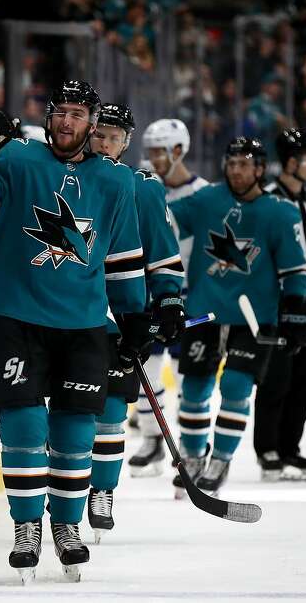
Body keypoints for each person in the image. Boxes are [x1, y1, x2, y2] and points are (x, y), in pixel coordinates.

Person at [0, 81, 146, 582]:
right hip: (16, 320)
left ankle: (66, 525)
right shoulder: (17, 159)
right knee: (23, 427)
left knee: (75, 432)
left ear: (94, 124)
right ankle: (27, 527)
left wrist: (134, 319)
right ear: (49, 117)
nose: (67, 122)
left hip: (84, 327)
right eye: (60, 112)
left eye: (78, 114)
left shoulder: (116, 181)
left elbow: (124, 258)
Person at [167, 136, 306, 498]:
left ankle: (221, 460)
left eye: (244, 164)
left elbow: (296, 272)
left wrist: (294, 313)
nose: (236, 170)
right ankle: (193, 457)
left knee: (234, 387)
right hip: (202, 314)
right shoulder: (207, 200)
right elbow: (166, 223)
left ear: (260, 169)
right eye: (231, 163)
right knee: (195, 390)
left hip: (254, 319)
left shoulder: (280, 212)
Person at [86, 104, 184, 542]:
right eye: (99, 134)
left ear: (127, 144)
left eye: (114, 137)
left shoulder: (143, 188)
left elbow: (163, 253)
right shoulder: (62, 178)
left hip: (119, 320)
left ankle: (102, 490)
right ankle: (64, 489)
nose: (104, 143)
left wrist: (166, 301)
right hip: (65, 314)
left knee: (109, 411)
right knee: (63, 411)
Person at [255, 129, 306, 481]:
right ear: (291, 161)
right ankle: (268, 449)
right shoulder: (269, 201)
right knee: (277, 377)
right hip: (278, 302)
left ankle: (291, 448)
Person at [128, 118, 208, 476]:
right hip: (152, 295)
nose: (154, 158)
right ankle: (153, 440)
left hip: (191, 299)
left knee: (188, 376)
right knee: (145, 369)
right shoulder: (147, 188)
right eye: (151, 151)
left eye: (161, 151)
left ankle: (193, 447)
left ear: (179, 150)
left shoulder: (205, 194)